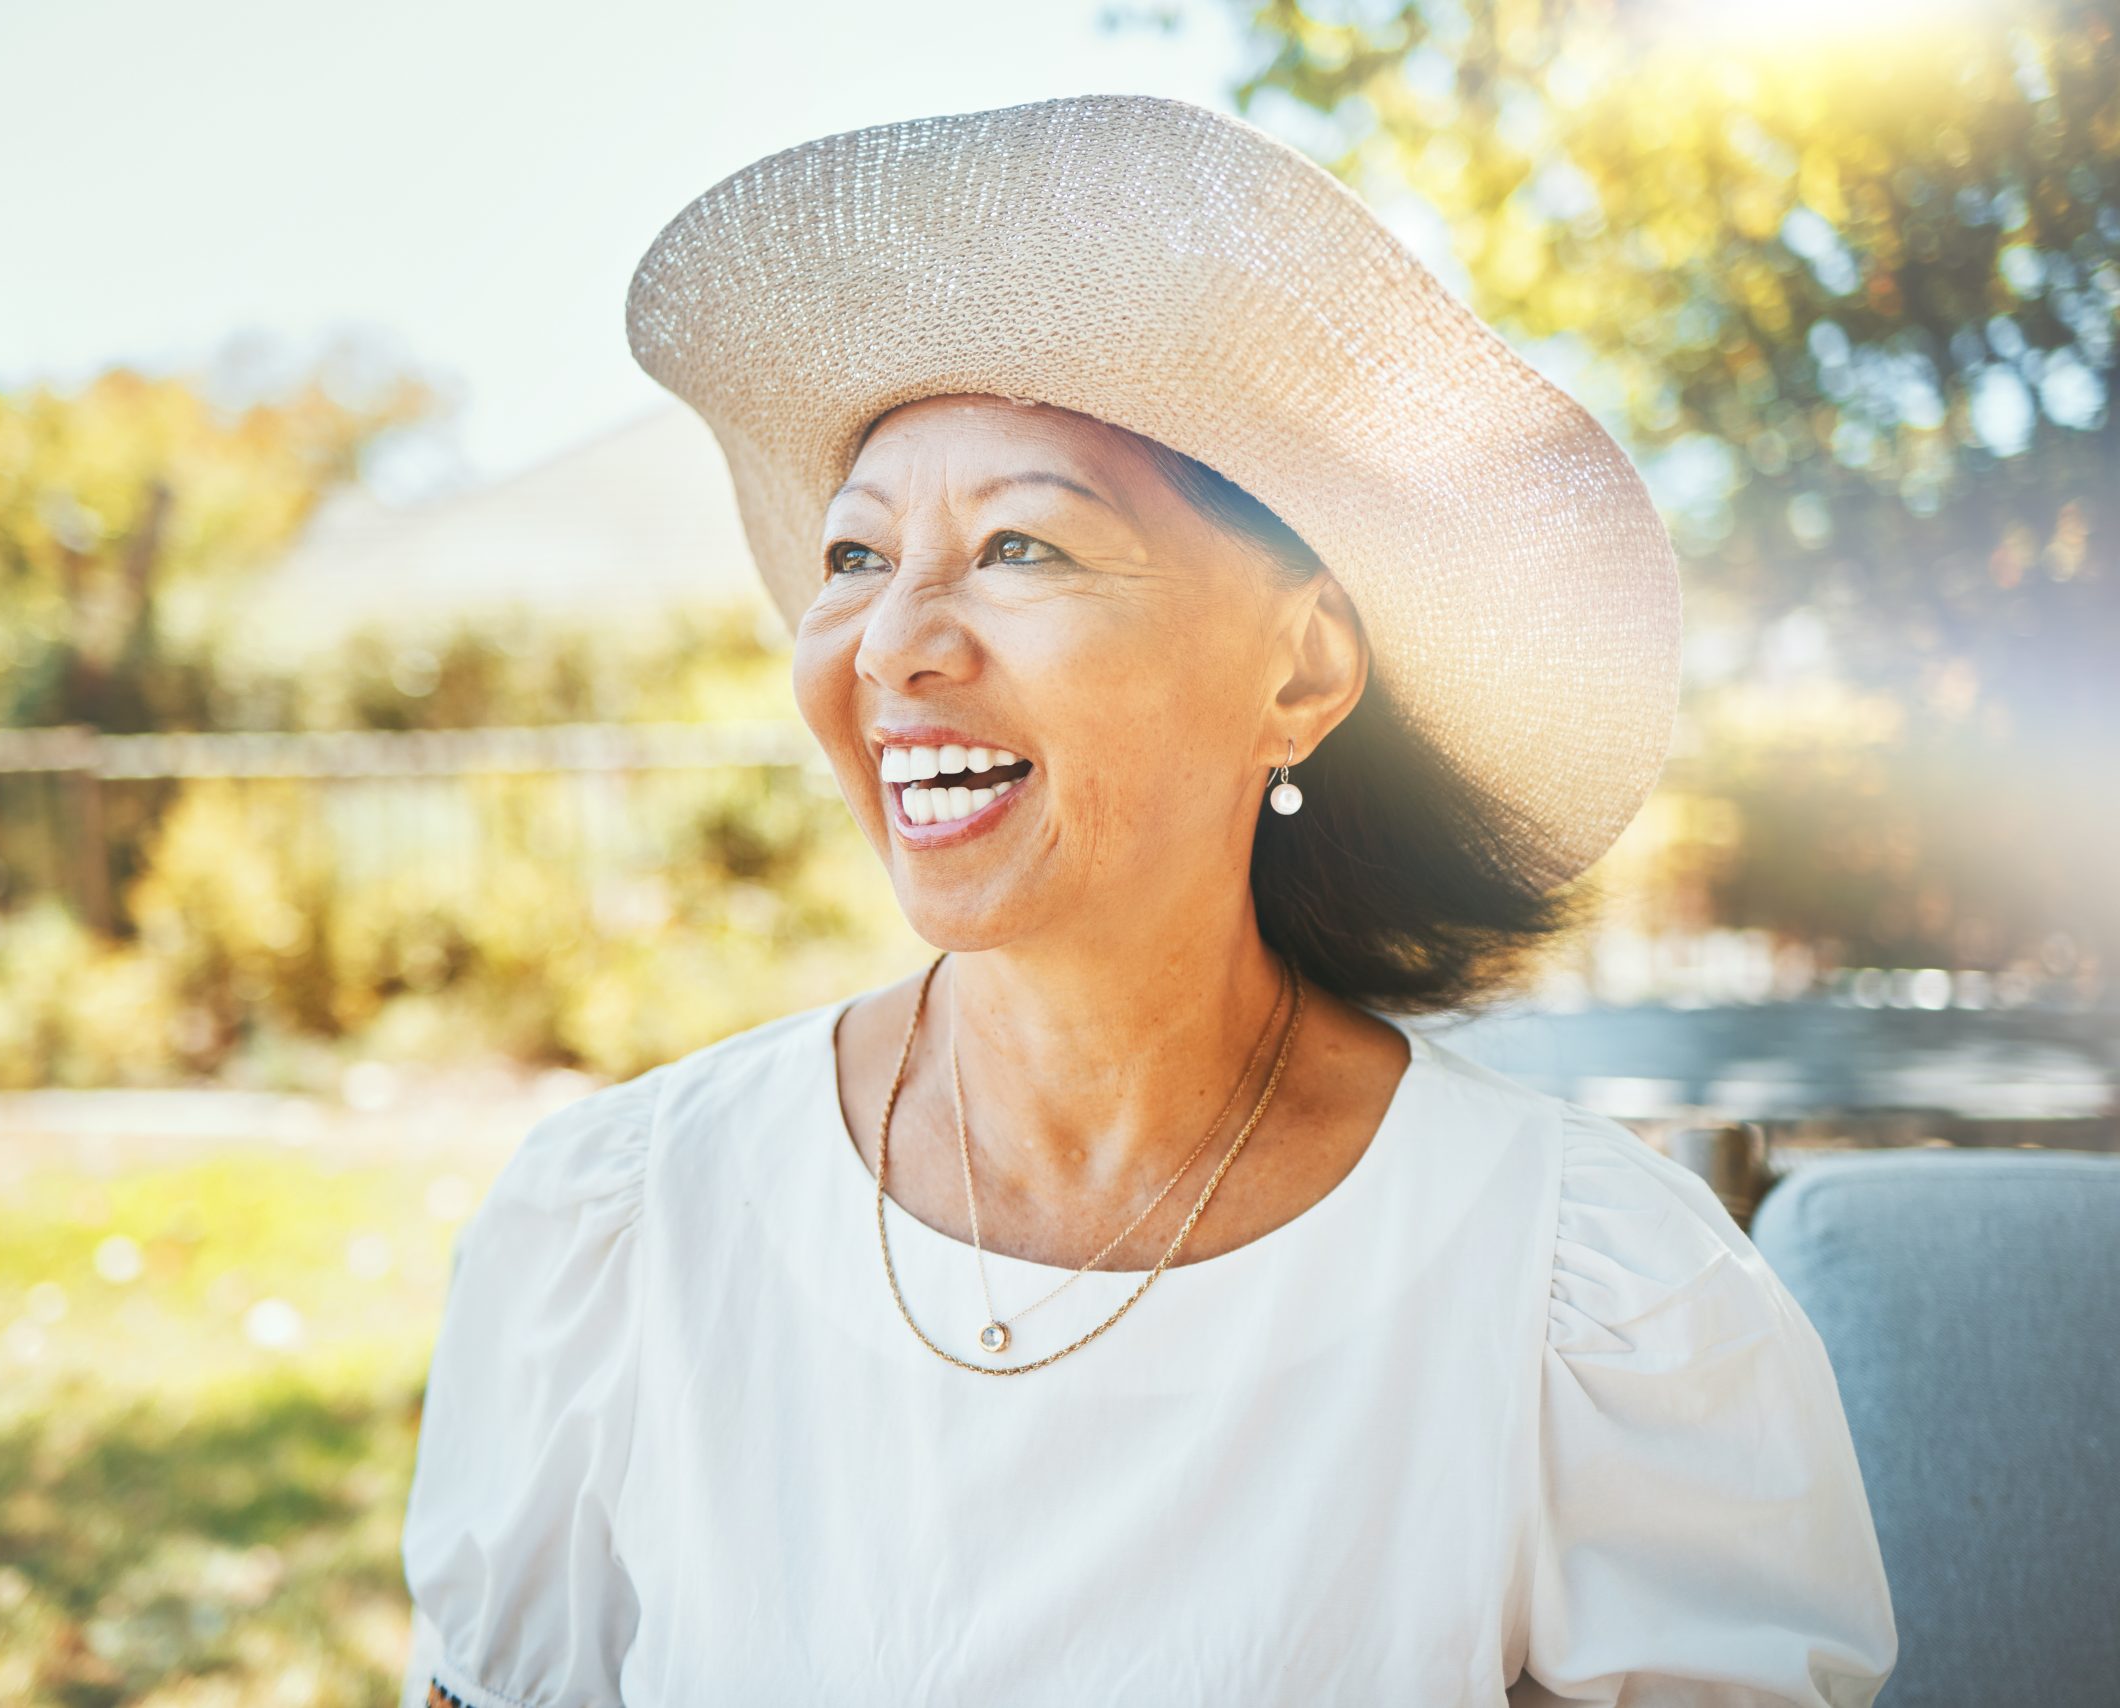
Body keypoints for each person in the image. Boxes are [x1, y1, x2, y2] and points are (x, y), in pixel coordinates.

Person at [399, 94, 1896, 1706]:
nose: (895, 642)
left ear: (1303, 669)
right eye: (853, 555)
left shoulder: (1582, 1302)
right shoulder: (620, 1232)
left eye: (1024, 548)